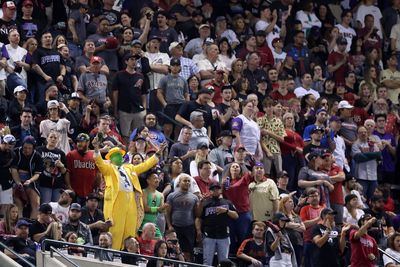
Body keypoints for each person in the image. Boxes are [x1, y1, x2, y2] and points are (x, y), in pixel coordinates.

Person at [92, 134, 166, 250]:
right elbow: (99, 162)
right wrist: (96, 147)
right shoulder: (109, 169)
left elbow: (145, 165)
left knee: (130, 230)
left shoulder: (130, 168)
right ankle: (114, 253)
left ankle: (128, 256)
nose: (119, 157)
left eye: (120, 155)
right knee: (116, 229)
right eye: (116, 155)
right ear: (110, 159)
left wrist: (158, 153)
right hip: (117, 200)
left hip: (131, 199)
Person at [196, 182, 238, 265]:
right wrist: (198, 231)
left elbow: (236, 216)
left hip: (224, 236)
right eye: (213, 189)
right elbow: (198, 216)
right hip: (209, 235)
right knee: (207, 261)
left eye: (217, 189)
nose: (215, 191)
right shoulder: (205, 202)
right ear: (210, 191)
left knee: (224, 262)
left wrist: (226, 211)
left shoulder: (227, 202)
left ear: (220, 190)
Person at [112, 52, 148, 142]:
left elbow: (144, 93)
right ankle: (126, 155)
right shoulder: (119, 75)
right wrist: (115, 109)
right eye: (132, 59)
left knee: (139, 135)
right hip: (124, 109)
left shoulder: (140, 76)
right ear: (126, 61)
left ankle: (137, 155)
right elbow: (115, 93)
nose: (134, 61)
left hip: (139, 110)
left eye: (135, 59)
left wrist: (144, 108)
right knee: (125, 136)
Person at [165, 175, 199, 261]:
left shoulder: (194, 197)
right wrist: (169, 225)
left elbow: (197, 214)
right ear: (179, 182)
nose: (187, 183)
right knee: (174, 249)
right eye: (185, 181)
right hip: (175, 227)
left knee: (189, 251)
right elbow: (167, 212)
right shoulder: (171, 196)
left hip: (189, 227)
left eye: (188, 181)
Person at [10, 136, 43, 219]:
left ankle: (32, 226)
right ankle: (19, 224)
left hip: (31, 180)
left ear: (33, 148)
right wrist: (18, 182)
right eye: (25, 147)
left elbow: (37, 174)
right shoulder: (16, 152)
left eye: (29, 148)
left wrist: (29, 180)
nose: (27, 150)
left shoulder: (37, 156)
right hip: (16, 179)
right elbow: (13, 170)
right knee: (18, 203)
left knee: (36, 204)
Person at [65, 133, 99, 203]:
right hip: (75, 191)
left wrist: (97, 188)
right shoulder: (71, 155)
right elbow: (67, 172)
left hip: (90, 191)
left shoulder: (93, 155)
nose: (79, 144)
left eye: (81, 142)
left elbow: (98, 174)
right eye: (78, 142)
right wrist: (69, 187)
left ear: (88, 142)